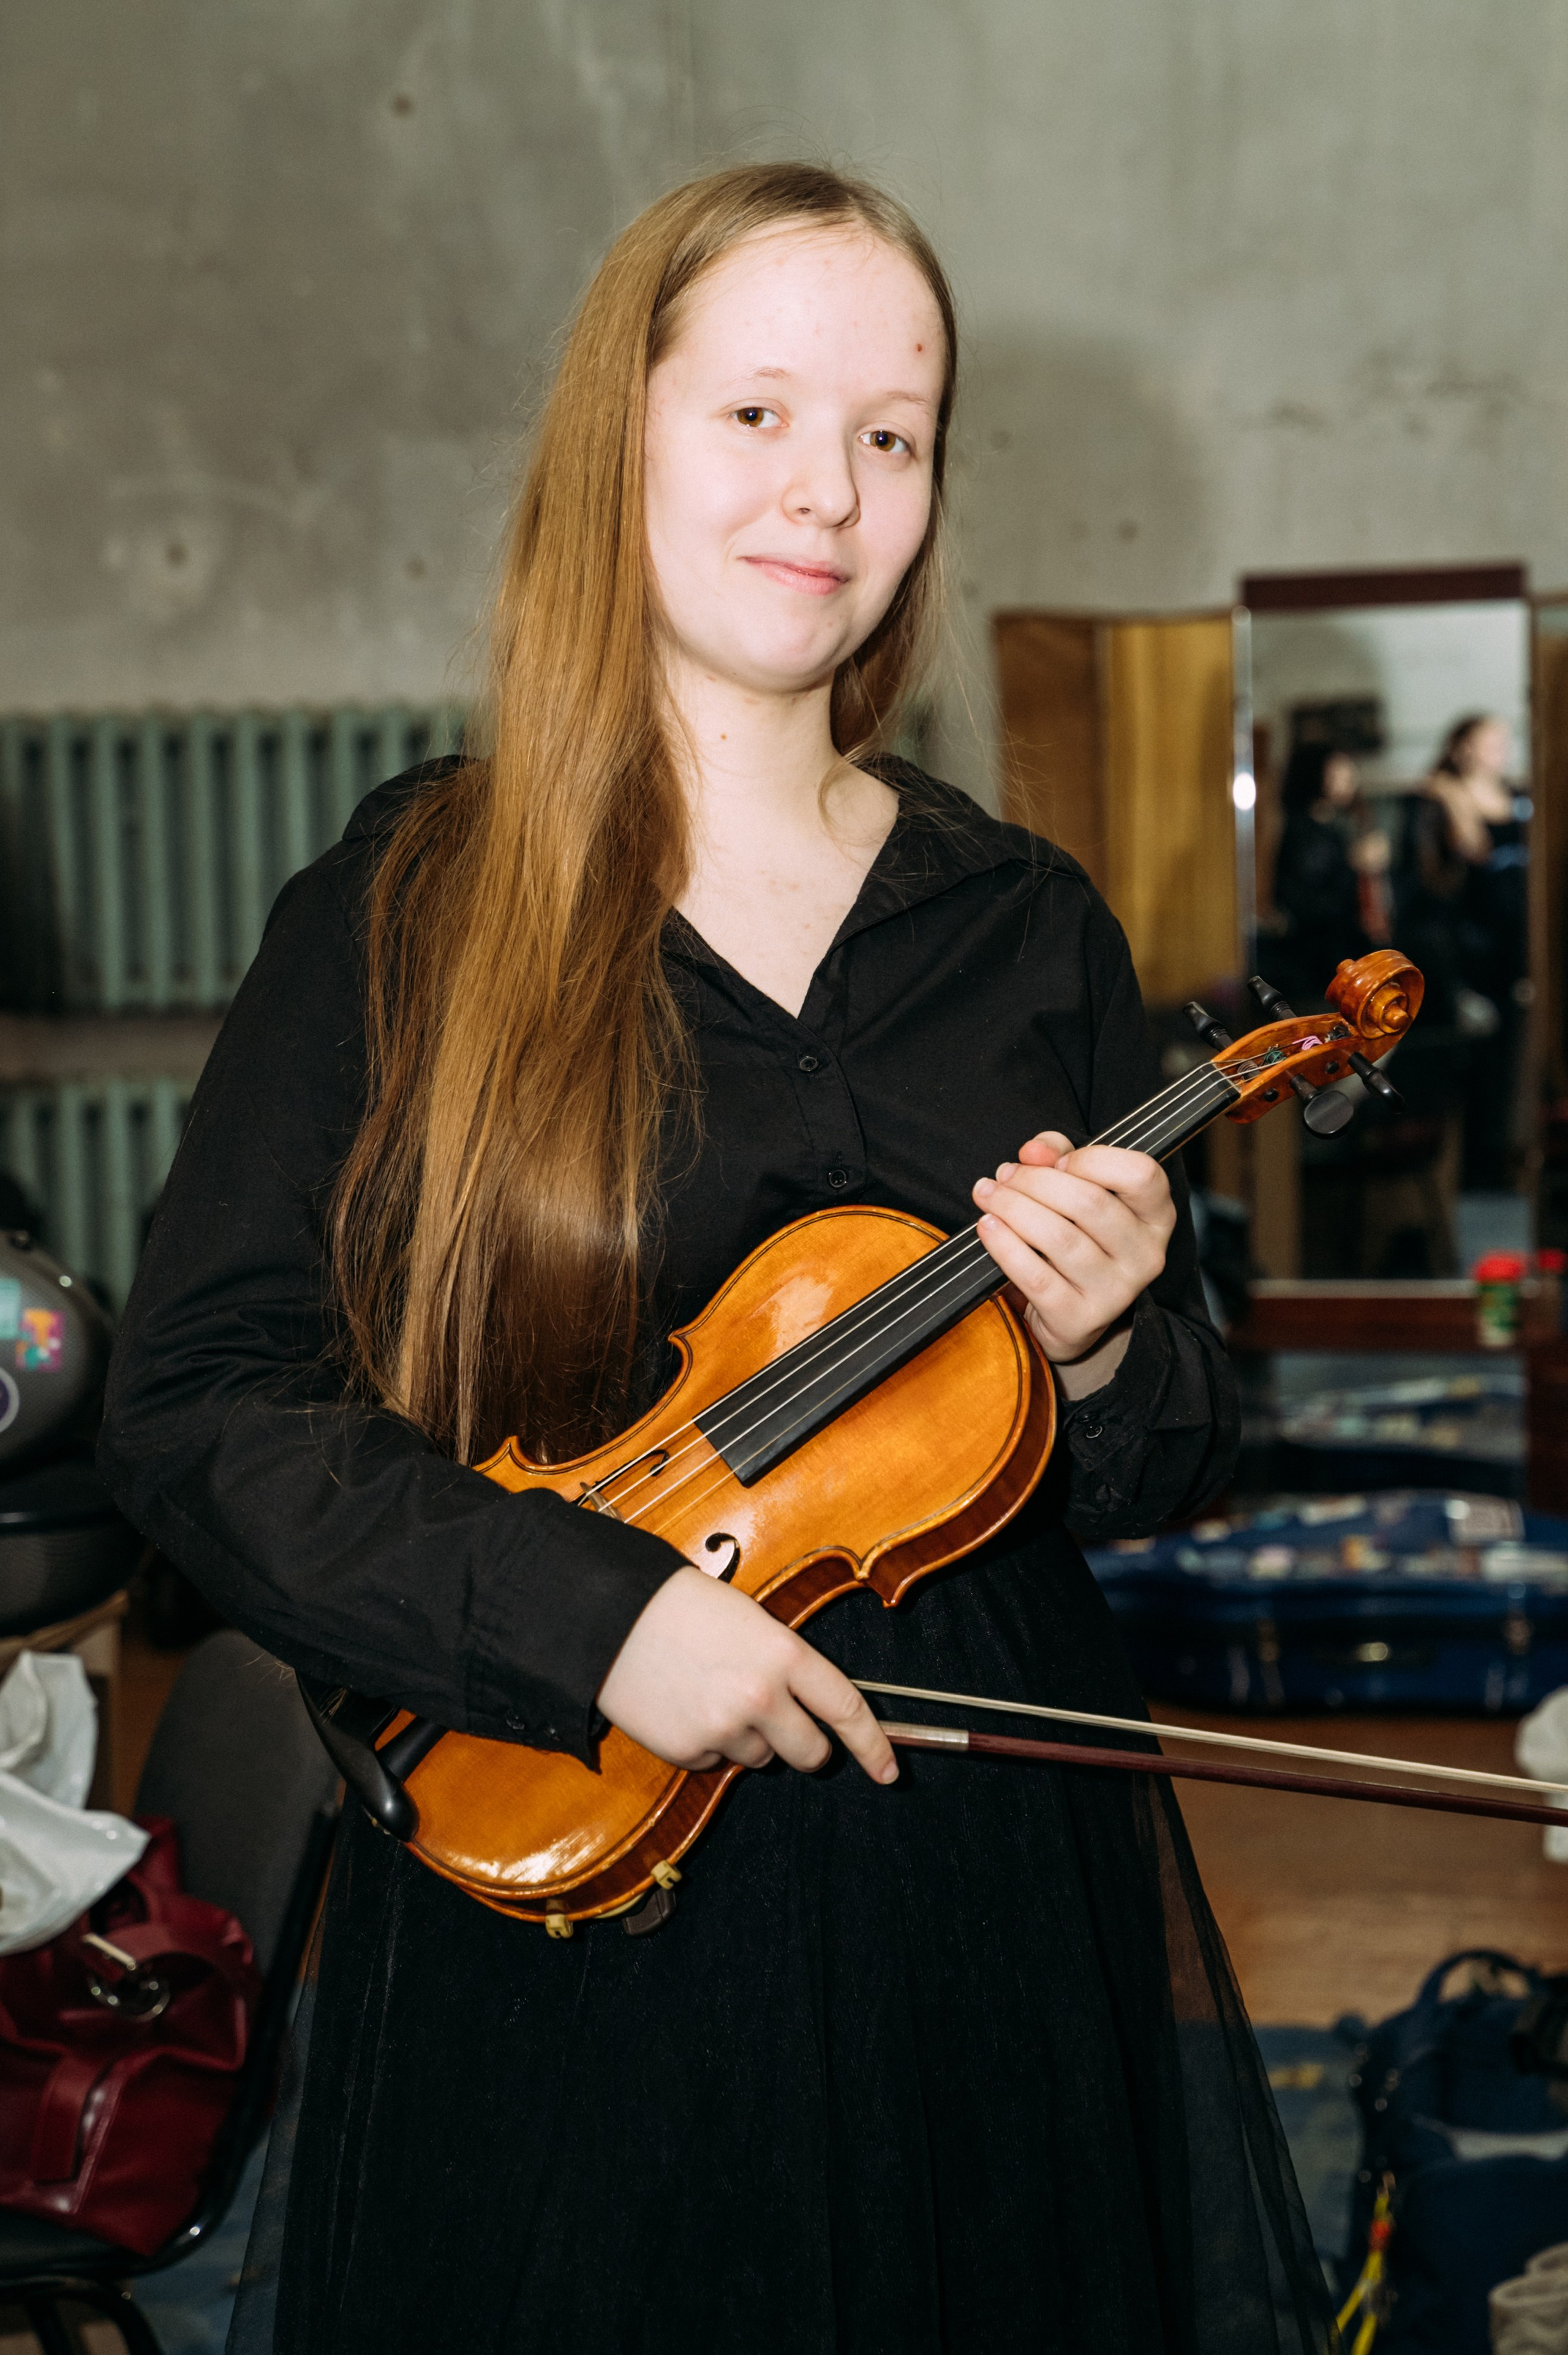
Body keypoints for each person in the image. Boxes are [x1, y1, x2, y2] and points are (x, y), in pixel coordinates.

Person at [98, 164, 1330, 2353]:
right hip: (562, 1859)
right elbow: (202, 1404)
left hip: (974, 1859)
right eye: (756, 413)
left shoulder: (1018, 922)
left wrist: (1121, 1343)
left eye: (888, 430)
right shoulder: (404, 903)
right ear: (620, 437)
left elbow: (1161, 1459)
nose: (827, 492)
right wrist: (592, 1620)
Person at [1395, 713, 1528, 1192]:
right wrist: (1456, 796)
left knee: (1506, 1062)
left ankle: (1495, 1161)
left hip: (1512, 946)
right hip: (1464, 948)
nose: (1502, 750)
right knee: (1465, 1064)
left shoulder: (1519, 799)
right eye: (1491, 741)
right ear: (1465, 747)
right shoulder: (1438, 798)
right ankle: (1467, 1172)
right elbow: (1473, 853)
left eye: (1505, 740)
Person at [1268, 739, 1390, 1002]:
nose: (1349, 781)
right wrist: (1354, 864)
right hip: (1319, 955)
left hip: (1340, 945)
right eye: (1338, 774)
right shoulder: (1306, 830)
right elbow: (1308, 901)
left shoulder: (1337, 824)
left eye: (1350, 773)